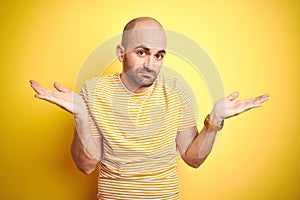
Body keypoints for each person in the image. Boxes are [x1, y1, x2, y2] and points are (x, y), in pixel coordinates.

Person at [30, 17, 269, 199]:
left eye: (159, 55)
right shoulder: (93, 91)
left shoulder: (177, 90)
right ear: (120, 54)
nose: (151, 64)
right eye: (142, 52)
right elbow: (86, 166)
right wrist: (81, 116)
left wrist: (214, 122)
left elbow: (192, 159)